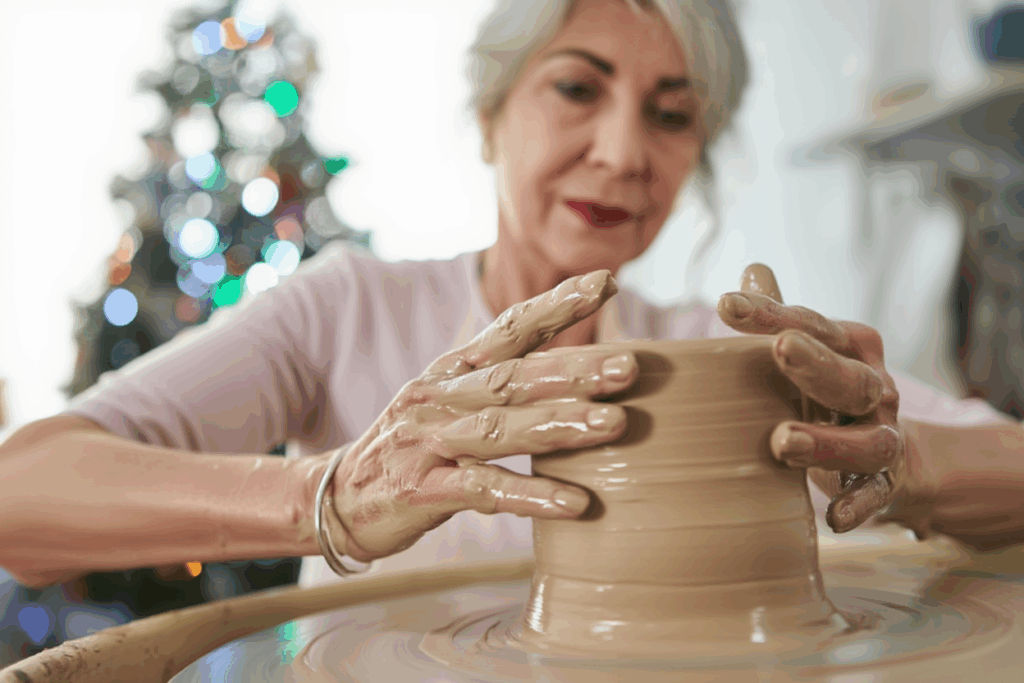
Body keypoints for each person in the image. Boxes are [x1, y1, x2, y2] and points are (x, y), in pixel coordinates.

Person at [1, 0, 1022, 593]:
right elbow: (23, 494)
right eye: (577, 89)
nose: (623, 153)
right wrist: (331, 496)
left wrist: (907, 461)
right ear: (490, 115)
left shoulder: (736, 366)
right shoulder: (348, 311)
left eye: (671, 118)